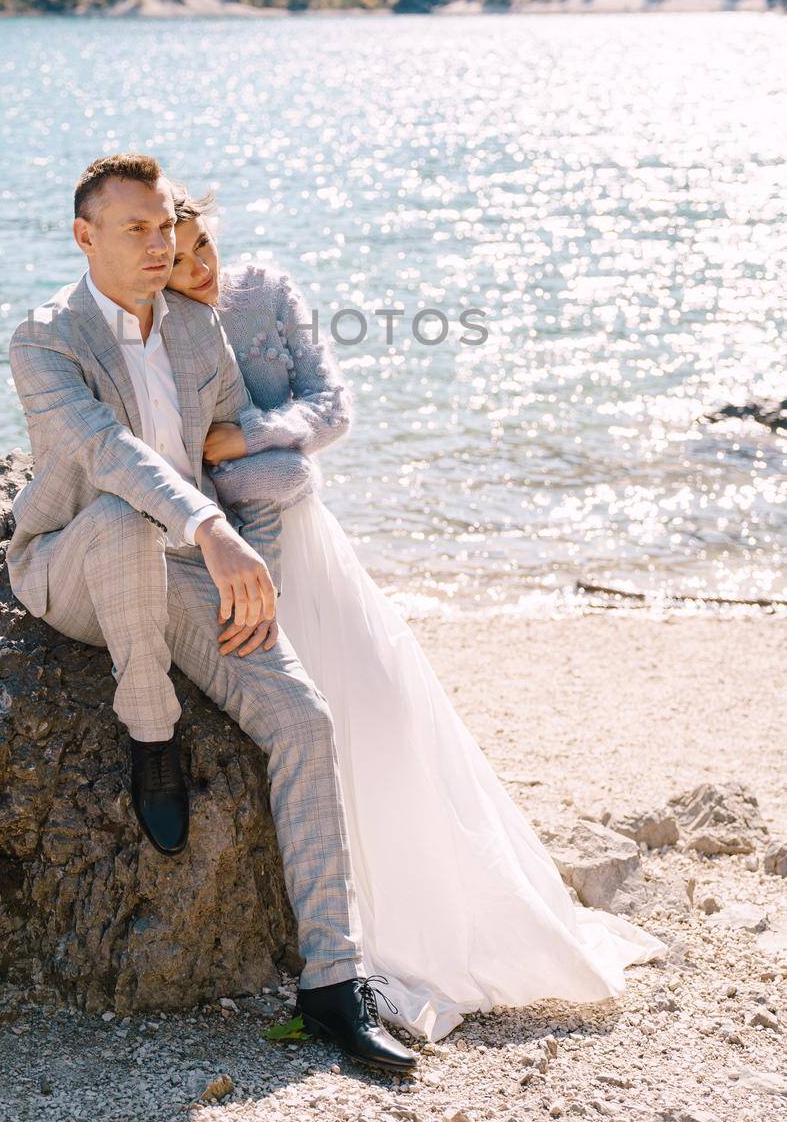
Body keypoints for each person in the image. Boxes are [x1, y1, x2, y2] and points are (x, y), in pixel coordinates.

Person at [164, 183, 669, 1044]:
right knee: (306, 726)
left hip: (312, 543)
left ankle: (428, 918)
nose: (196, 269)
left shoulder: (266, 291)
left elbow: (332, 407)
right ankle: (337, 935)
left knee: (385, 714)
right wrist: (245, 478)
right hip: (238, 550)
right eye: (174, 261)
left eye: (201, 246)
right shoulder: (159, 326)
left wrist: (248, 438)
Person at [6, 152, 417, 1076]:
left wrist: (253, 573)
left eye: (165, 226)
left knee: (303, 722)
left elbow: (234, 459)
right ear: (84, 238)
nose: (159, 246)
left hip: (186, 567)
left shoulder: (197, 332)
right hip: (70, 561)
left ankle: (330, 985)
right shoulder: (45, 338)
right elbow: (106, 454)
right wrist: (205, 525)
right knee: (120, 514)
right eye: (135, 230)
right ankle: (149, 728)